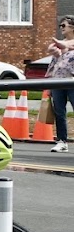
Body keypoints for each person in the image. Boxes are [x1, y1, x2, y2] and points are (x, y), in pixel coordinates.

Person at [46, 15, 74, 153]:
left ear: (72, 27)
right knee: (59, 112)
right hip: (58, 81)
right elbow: (53, 63)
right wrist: (49, 82)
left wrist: (63, 47)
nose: (61, 28)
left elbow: (69, 46)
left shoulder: (69, 44)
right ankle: (62, 141)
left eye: (63, 26)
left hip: (72, 82)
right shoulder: (60, 45)